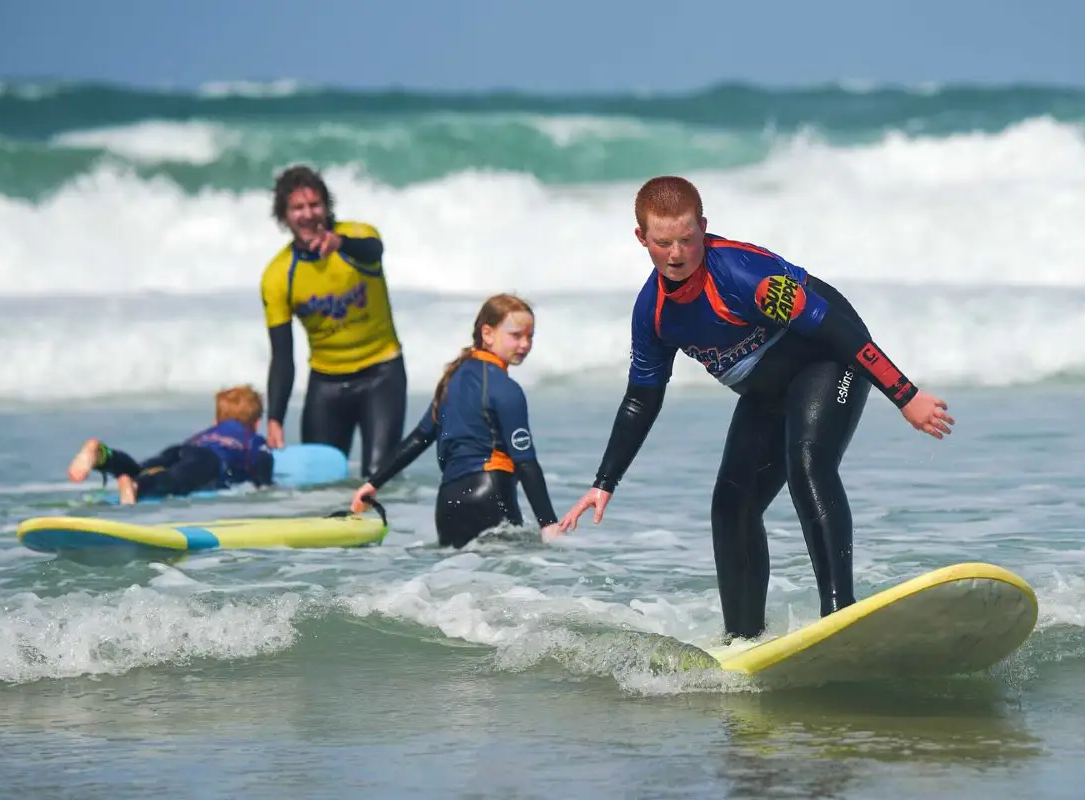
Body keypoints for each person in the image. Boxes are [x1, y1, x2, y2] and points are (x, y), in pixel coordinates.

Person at [554, 176, 955, 642]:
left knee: (807, 463)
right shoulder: (653, 313)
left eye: (687, 239)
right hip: (766, 390)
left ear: (703, 227)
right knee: (731, 504)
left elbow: (836, 330)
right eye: (663, 243)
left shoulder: (746, 277)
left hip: (827, 358)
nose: (677, 254)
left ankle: (840, 615)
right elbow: (643, 397)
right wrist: (604, 483)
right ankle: (742, 640)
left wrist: (904, 395)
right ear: (642, 238)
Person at [348, 294, 559, 548]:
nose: (525, 344)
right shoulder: (505, 389)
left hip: (448, 503)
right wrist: (548, 524)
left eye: (530, 336)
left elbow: (420, 437)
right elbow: (525, 462)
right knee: (508, 584)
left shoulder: (452, 380)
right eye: (516, 335)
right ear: (488, 334)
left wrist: (373, 483)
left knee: (454, 582)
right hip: (490, 494)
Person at [260, 164, 407, 478]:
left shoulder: (357, 236)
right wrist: (275, 418)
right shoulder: (278, 276)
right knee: (319, 484)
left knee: (378, 477)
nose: (308, 214)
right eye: (297, 207)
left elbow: (373, 251)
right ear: (284, 215)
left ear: (326, 207)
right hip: (326, 385)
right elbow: (282, 356)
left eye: (315, 204)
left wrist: (340, 244)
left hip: (381, 374)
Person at [66, 385, 275, 504]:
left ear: (216, 421)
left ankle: (103, 455)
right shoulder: (251, 439)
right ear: (256, 423)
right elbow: (263, 465)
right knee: (177, 480)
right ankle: (137, 487)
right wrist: (264, 485)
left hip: (184, 448)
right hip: (211, 460)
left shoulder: (206, 434)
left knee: (140, 468)